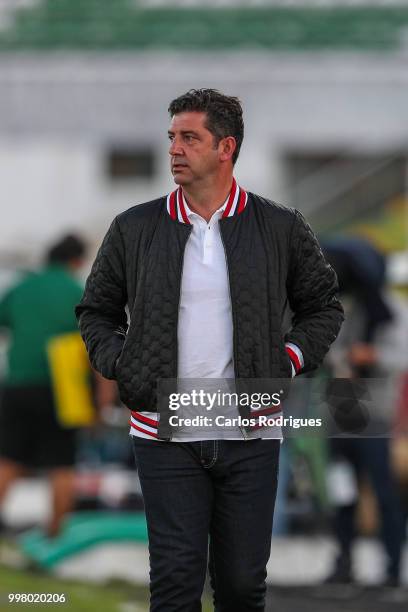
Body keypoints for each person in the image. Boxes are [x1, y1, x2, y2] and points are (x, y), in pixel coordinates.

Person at [76, 89, 344, 611]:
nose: (175, 148)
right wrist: (121, 363)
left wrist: (287, 360)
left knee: (243, 588)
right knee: (175, 587)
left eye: (189, 138)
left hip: (251, 430)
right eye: (172, 137)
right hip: (163, 432)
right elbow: (96, 312)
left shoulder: (280, 227)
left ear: (226, 147)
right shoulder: (134, 227)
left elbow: (323, 308)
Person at [0, 234, 86, 537]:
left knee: (8, 458)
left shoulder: (21, 288)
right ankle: (54, 537)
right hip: (62, 389)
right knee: (61, 463)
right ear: (76, 261)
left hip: (17, 383)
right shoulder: (77, 290)